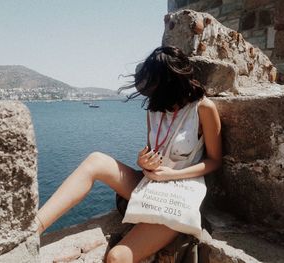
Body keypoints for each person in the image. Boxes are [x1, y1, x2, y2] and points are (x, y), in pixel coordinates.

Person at [35, 46, 222, 263]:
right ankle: (33, 229)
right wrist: (144, 162)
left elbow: (215, 161)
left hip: (179, 197)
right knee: (96, 160)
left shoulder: (203, 109)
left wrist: (171, 175)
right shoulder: (155, 110)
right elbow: (154, 150)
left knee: (116, 257)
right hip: (151, 184)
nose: (150, 93)